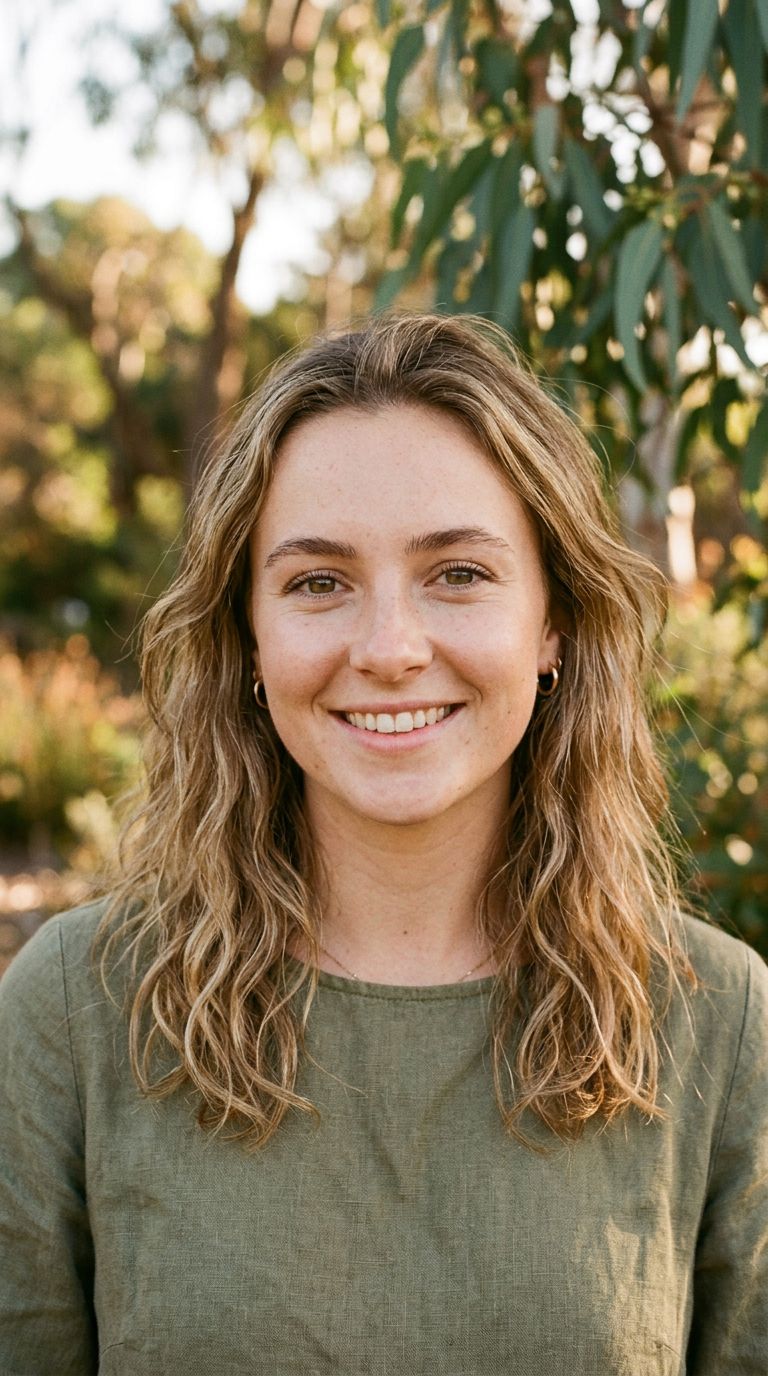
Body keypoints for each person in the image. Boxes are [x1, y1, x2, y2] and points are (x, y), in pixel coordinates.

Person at [0, 312, 766, 1375]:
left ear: (552, 622)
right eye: (319, 581)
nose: (390, 648)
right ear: (250, 638)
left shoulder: (721, 1026)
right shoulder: (74, 1011)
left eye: (458, 571)